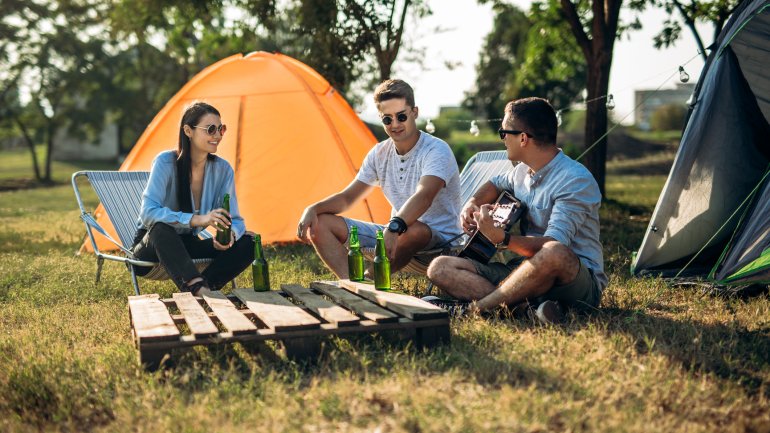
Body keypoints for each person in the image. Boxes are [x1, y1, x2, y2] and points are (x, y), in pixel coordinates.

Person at [427, 97, 606, 323]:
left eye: (504, 132)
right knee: (440, 267)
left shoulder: (574, 180)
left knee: (554, 251)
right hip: (524, 271)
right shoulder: (521, 171)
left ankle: (474, 310)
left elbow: (553, 243)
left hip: (573, 281)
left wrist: (502, 238)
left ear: (522, 138)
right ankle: (525, 310)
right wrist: (472, 203)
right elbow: (494, 184)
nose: (502, 138)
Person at [297, 79, 462, 277]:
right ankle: (352, 284)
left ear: (415, 112)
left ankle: (371, 279)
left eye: (401, 116)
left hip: (439, 241)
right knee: (321, 222)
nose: (395, 125)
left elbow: (424, 196)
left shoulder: (436, 150)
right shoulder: (379, 153)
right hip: (395, 233)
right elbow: (347, 198)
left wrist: (394, 228)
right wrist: (313, 209)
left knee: (415, 229)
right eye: (387, 119)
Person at [132, 101, 254, 296]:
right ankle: (198, 287)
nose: (217, 135)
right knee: (161, 227)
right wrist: (198, 219)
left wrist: (229, 236)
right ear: (188, 131)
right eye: (210, 129)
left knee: (249, 241)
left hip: (188, 244)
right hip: (153, 246)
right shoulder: (165, 162)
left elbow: (236, 220)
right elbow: (148, 213)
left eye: (221, 129)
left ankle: (205, 286)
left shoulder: (223, 170)